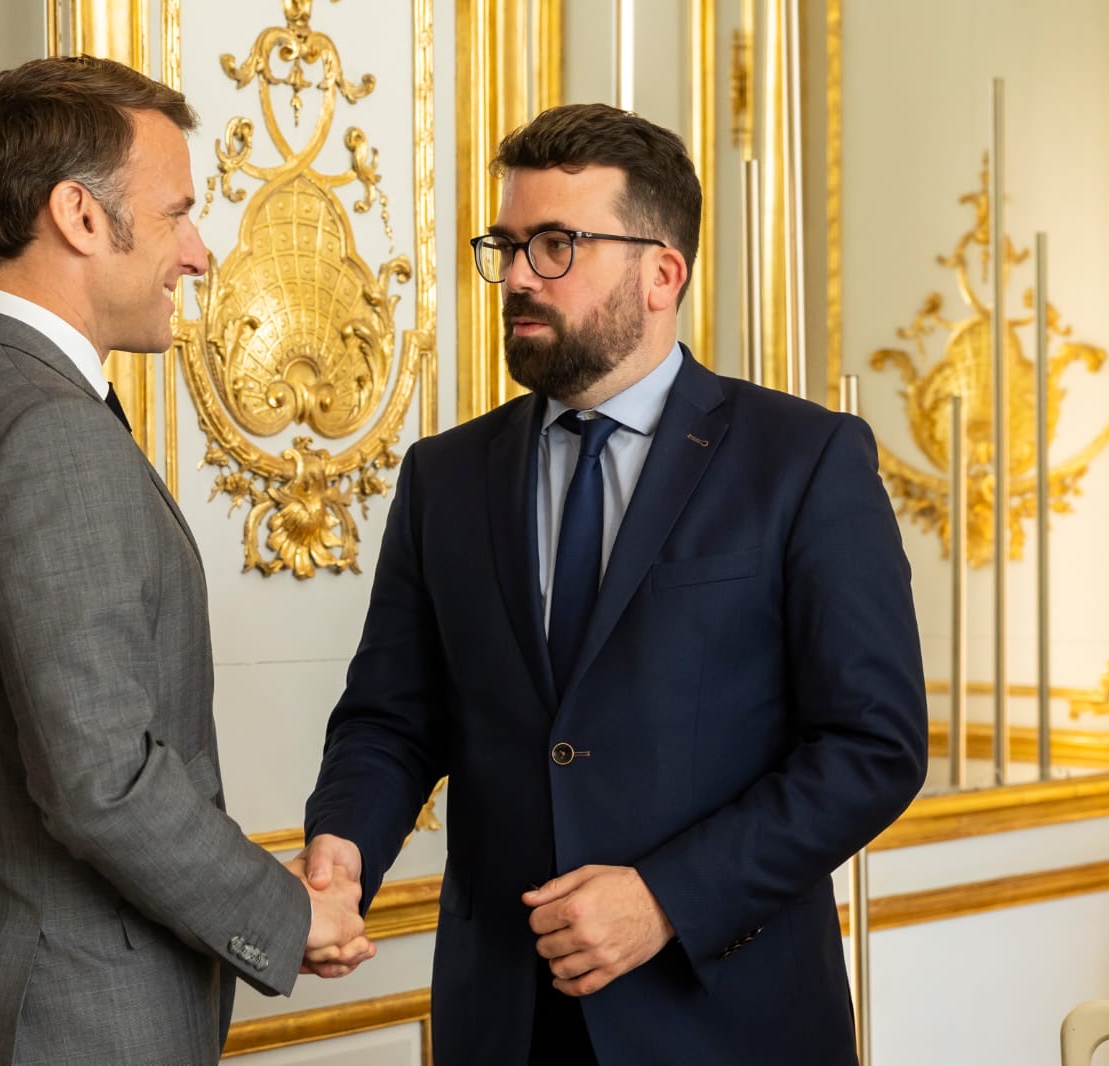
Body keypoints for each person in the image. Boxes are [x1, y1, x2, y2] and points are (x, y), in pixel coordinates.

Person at [301, 103, 928, 1064]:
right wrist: (342, 854)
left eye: (556, 245)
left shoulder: (804, 461)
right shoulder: (445, 476)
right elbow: (392, 715)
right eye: (507, 246)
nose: (516, 277)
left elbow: (872, 745)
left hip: (726, 1015)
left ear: (661, 272)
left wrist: (666, 899)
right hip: (503, 1019)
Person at [0, 56, 369, 1064]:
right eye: (177, 213)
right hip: (73, 1025)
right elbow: (101, 781)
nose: (201, 253)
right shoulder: (51, 435)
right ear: (79, 216)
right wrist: (288, 915)